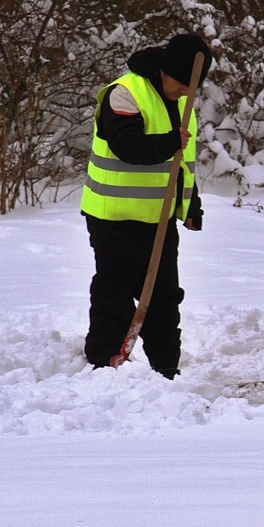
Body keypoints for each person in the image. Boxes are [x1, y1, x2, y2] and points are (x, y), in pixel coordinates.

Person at [80, 33, 213, 378]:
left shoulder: (182, 100)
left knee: (164, 297)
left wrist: (190, 205)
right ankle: (103, 364)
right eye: (182, 84)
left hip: (159, 218)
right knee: (115, 292)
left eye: (191, 87)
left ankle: (166, 370)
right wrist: (169, 142)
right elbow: (127, 146)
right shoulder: (125, 93)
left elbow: (181, 164)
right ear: (165, 70)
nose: (186, 92)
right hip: (115, 218)